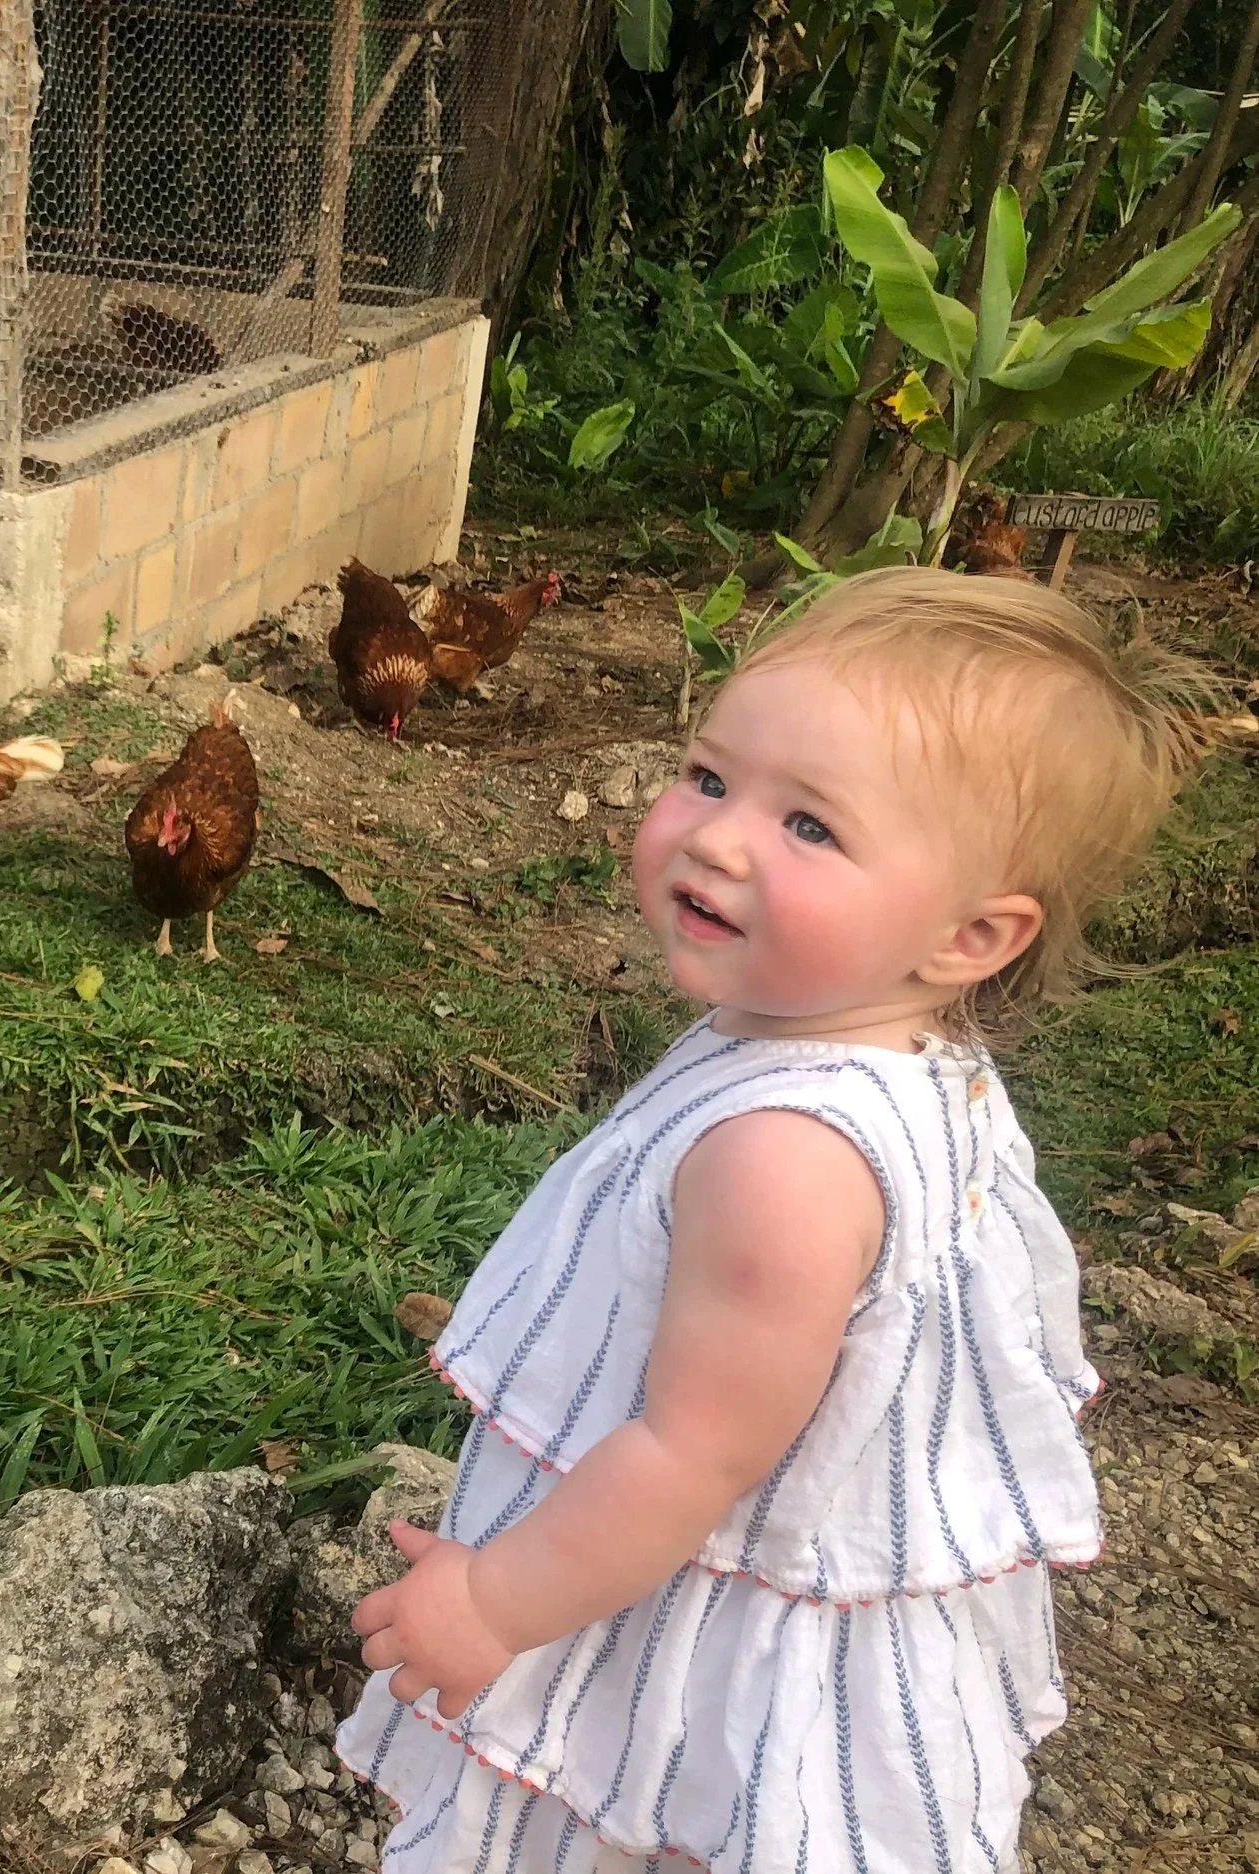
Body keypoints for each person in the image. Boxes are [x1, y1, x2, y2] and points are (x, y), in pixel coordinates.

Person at [338, 566, 1221, 1872]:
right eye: (710, 777)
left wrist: (491, 1602)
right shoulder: (897, 1054)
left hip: (693, 1592)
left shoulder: (786, 1157)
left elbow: (692, 1453)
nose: (719, 838)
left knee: (656, 1814)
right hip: (742, 1558)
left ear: (969, 935)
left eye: (810, 824)